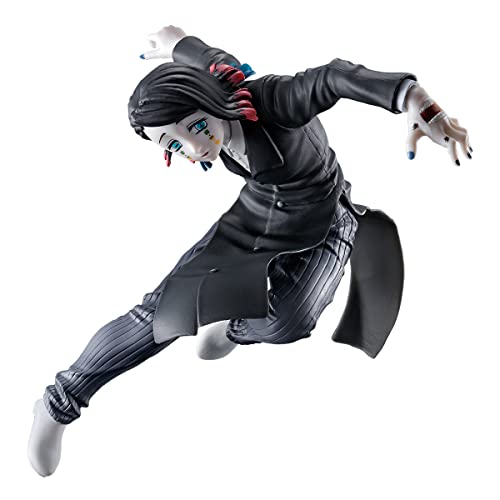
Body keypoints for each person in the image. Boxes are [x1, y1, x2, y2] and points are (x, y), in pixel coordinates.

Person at [27, 25, 471, 477]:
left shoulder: (272, 101)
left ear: (208, 102)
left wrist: (417, 102)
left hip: (324, 220)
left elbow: (333, 77)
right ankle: (59, 403)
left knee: (289, 322)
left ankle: (233, 327)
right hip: (254, 218)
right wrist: (176, 42)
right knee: (161, 313)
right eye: (174, 144)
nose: (194, 146)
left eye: (197, 127)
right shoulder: (215, 78)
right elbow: (203, 56)